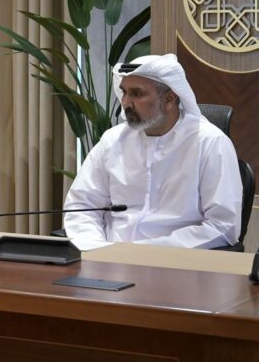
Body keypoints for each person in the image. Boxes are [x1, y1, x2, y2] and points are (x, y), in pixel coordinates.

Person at [63, 54, 241, 249]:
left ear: (169, 99)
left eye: (136, 94)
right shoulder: (112, 140)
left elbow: (223, 226)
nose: (126, 102)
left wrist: (145, 254)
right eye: (124, 92)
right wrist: (94, 248)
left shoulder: (210, 143)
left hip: (176, 260)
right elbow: (82, 206)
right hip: (107, 256)